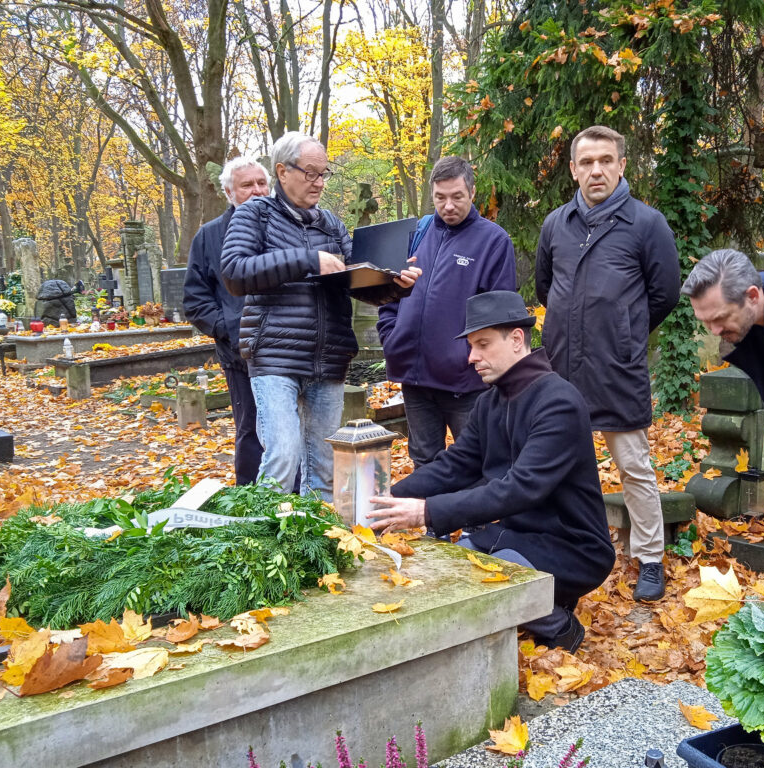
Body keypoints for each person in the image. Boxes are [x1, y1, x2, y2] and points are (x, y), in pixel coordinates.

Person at [368, 291, 615, 652]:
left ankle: (560, 625)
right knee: (456, 562)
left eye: (482, 344)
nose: (471, 358)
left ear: (516, 339)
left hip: (574, 549)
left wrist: (426, 512)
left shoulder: (559, 402)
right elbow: (455, 466)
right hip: (515, 535)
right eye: (470, 346)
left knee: (483, 576)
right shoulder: (490, 402)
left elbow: (520, 489)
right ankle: (536, 602)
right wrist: (389, 498)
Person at [221, 131, 421, 500]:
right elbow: (234, 272)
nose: (319, 182)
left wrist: (397, 284)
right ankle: (265, 543)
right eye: (310, 173)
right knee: (283, 455)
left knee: (325, 467)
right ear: (282, 172)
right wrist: (308, 260)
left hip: (328, 358)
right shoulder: (255, 214)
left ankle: (313, 547)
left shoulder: (331, 223)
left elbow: (358, 283)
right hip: (274, 355)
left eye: (324, 173)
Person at [535, 125, 680, 602]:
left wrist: (624, 332)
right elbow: (544, 288)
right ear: (573, 169)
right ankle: (563, 544)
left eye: (605, 160)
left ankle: (650, 559)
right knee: (559, 462)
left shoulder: (646, 224)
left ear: (621, 165)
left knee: (633, 466)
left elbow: (664, 294)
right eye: (586, 162)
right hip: (561, 367)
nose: (596, 170)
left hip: (616, 367)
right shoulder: (556, 224)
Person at [377, 156, 517, 467]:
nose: (448, 206)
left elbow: (500, 315)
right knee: (425, 464)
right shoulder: (418, 232)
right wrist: (392, 336)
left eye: (457, 197)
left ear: (472, 192)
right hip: (415, 378)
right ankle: (430, 518)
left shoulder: (493, 241)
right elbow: (389, 288)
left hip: (465, 383)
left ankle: (479, 519)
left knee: (482, 465)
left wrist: (471, 357)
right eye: (440, 198)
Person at [183, 156, 270, 485]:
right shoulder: (209, 236)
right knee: (250, 427)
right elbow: (195, 299)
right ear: (229, 192)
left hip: (287, 349)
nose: (257, 191)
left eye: (262, 184)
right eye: (247, 185)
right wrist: (229, 329)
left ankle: (293, 501)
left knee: (290, 429)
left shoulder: (284, 226)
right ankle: (249, 498)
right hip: (239, 355)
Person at [681, 249, 764, 409]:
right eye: (705, 321)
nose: (715, 331)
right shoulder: (749, 323)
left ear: (752, 296)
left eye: (720, 318)